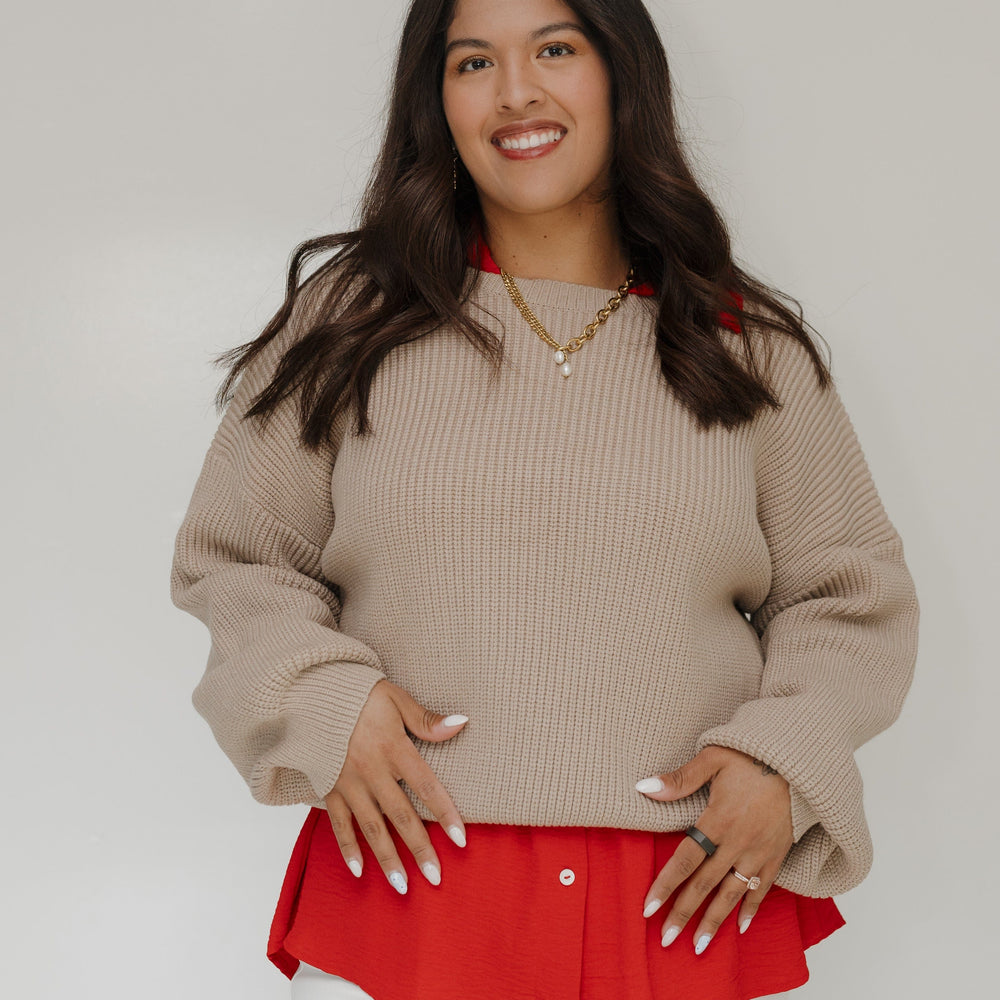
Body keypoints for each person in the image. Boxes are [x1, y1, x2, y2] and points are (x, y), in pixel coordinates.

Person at [170, 0, 919, 997]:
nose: (515, 90)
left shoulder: (744, 346)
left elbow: (848, 595)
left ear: (621, 75)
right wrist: (319, 700)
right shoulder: (349, 324)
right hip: (421, 878)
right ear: (436, 101)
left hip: (682, 894)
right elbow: (235, 558)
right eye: (472, 61)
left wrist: (785, 759)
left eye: (554, 50)